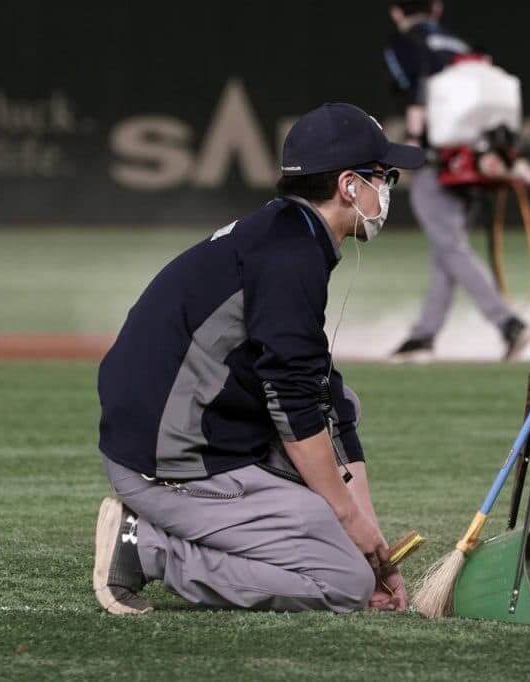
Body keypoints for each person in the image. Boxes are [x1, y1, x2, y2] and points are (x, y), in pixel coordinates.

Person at [93, 103, 425, 615]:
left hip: (179, 430)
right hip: (170, 463)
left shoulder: (286, 234)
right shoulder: (291, 257)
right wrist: (346, 519)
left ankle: (200, 525)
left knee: (341, 408)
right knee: (343, 582)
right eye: (384, 176)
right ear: (348, 185)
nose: (388, 190)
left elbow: (322, 390)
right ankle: (147, 548)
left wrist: (364, 523)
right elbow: (292, 402)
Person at [384, 0, 530, 361]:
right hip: (477, 162)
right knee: (446, 248)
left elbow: (418, 89)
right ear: (436, 9)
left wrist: (415, 142)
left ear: (396, 11)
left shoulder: (405, 44)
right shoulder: (459, 46)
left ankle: (508, 324)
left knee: (450, 246)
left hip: (441, 160)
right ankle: (424, 336)